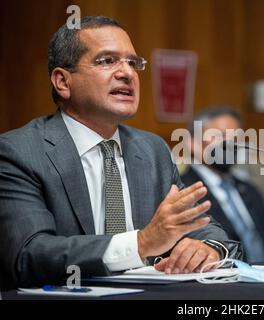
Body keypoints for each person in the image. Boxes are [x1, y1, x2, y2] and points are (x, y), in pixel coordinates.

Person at [0, 16, 242, 289]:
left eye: (133, 62)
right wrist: (140, 244)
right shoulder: (19, 152)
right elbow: (28, 256)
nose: (127, 73)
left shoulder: (152, 151)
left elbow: (205, 228)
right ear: (63, 82)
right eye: (107, 61)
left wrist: (208, 248)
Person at [180, 107, 264, 263]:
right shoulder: (184, 190)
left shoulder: (249, 189)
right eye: (221, 136)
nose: (230, 144)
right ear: (193, 143)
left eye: (236, 138)